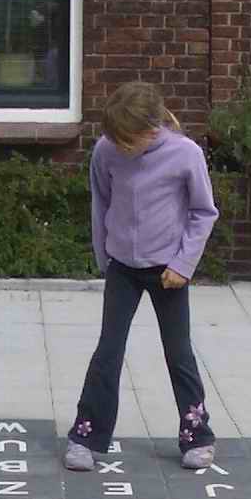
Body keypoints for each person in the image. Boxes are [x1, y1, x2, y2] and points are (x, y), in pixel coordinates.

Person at [65, 80, 219, 474]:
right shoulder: (106, 150)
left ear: (152, 130)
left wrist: (183, 265)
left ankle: (197, 436)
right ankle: (86, 436)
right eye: (115, 140)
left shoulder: (185, 154)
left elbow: (204, 213)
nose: (120, 147)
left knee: (178, 353)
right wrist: (105, 258)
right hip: (123, 269)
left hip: (169, 272)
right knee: (108, 351)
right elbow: (101, 203)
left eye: (126, 140)